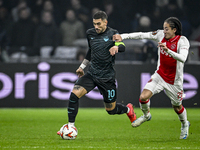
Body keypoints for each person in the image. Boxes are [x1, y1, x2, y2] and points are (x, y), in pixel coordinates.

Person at [57, 10, 136, 135]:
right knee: (74, 95)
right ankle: (70, 126)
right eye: (94, 24)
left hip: (107, 78)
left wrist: (117, 47)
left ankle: (128, 109)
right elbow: (91, 51)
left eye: (99, 24)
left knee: (111, 110)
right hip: (92, 74)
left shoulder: (113, 33)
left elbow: (122, 46)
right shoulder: (90, 33)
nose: (96, 27)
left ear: (105, 22)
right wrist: (82, 67)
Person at [113, 17, 190, 139]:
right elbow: (142, 35)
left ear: (174, 30)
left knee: (177, 107)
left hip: (174, 81)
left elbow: (183, 58)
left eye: (166, 29)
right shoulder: (160, 35)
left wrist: (168, 50)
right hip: (160, 75)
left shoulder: (183, 41)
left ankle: (185, 124)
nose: (164, 31)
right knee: (143, 97)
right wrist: (123, 36)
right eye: (164, 28)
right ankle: (146, 115)